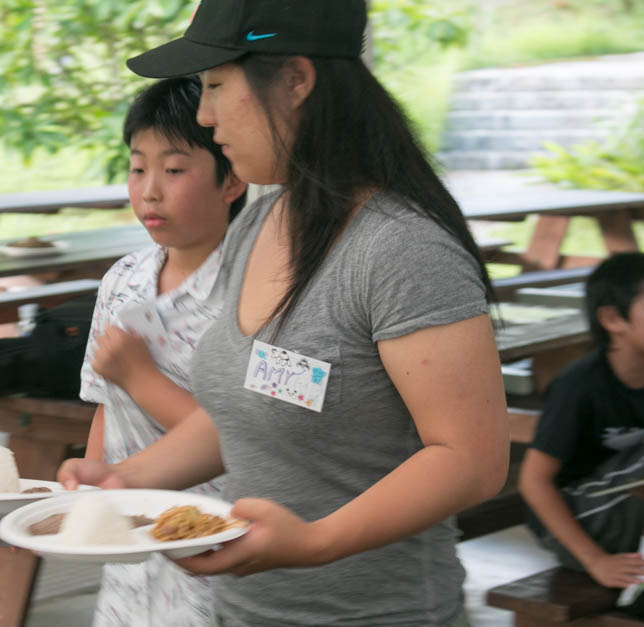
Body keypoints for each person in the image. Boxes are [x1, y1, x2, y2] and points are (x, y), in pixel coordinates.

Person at [60, 1, 509, 625]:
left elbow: (472, 458)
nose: (204, 114)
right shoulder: (261, 227)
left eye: (216, 85)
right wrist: (121, 481)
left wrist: (316, 541)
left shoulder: (402, 249)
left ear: (296, 80)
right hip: (248, 610)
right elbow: (246, 416)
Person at [79, 76, 246, 627]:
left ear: (232, 180)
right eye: (137, 167)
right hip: (128, 543)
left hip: (215, 542)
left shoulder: (251, 293)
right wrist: (89, 493)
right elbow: (107, 405)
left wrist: (140, 376)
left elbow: (248, 434)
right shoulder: (123, 281)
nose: (150, 189)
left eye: (174, 170)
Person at [519, 252, 644, 592]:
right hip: (577, 518)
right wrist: (595, 561)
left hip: (626, 503)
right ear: (613, 319)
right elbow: (533, 482)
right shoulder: (580, 386)